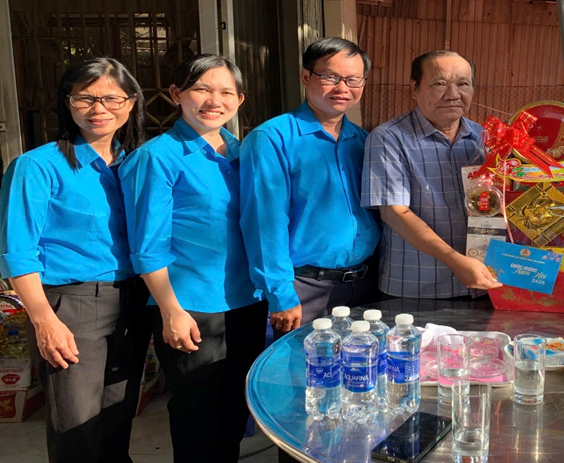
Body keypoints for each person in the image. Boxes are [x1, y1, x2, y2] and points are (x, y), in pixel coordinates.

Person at [0, 58, 148, 463]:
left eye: (111, 98)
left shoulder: (136, 164)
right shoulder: (37, 166)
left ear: (131, 102)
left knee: (117, 421)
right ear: (67, 103)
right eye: (85, 98)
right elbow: (18, 252)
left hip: (131, 301)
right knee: (77, 431)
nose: (99, 109)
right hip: (71, 306)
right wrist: (44, 320)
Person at [119, 55, 266, 463]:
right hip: (192, 307)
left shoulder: (244, 153)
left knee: (234, 412)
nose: (214, 101)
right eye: (201, 89)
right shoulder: (158, 157)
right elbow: (147, 246)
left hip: (247, 302)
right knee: (198, 419)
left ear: (240, 99)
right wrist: (171, 310)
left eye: (226, 92)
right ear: (176, 94)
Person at [240, 38, 381, 335]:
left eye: (353, 79)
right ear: (306, 77)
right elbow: (264, 224)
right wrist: (280, 293)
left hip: (365, 285)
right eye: (330, 77)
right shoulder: (272, 139)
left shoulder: (365, 141)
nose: (342, 87)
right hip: (303, 289)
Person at [362, 50, 501, 299]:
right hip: (417, 288)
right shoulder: (389, 138)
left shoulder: (485, 138)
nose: (453, 94)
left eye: (463, 84)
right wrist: (456, 261)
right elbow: (394, 213)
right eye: (439, 84)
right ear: (414, 89)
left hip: (483, 286)